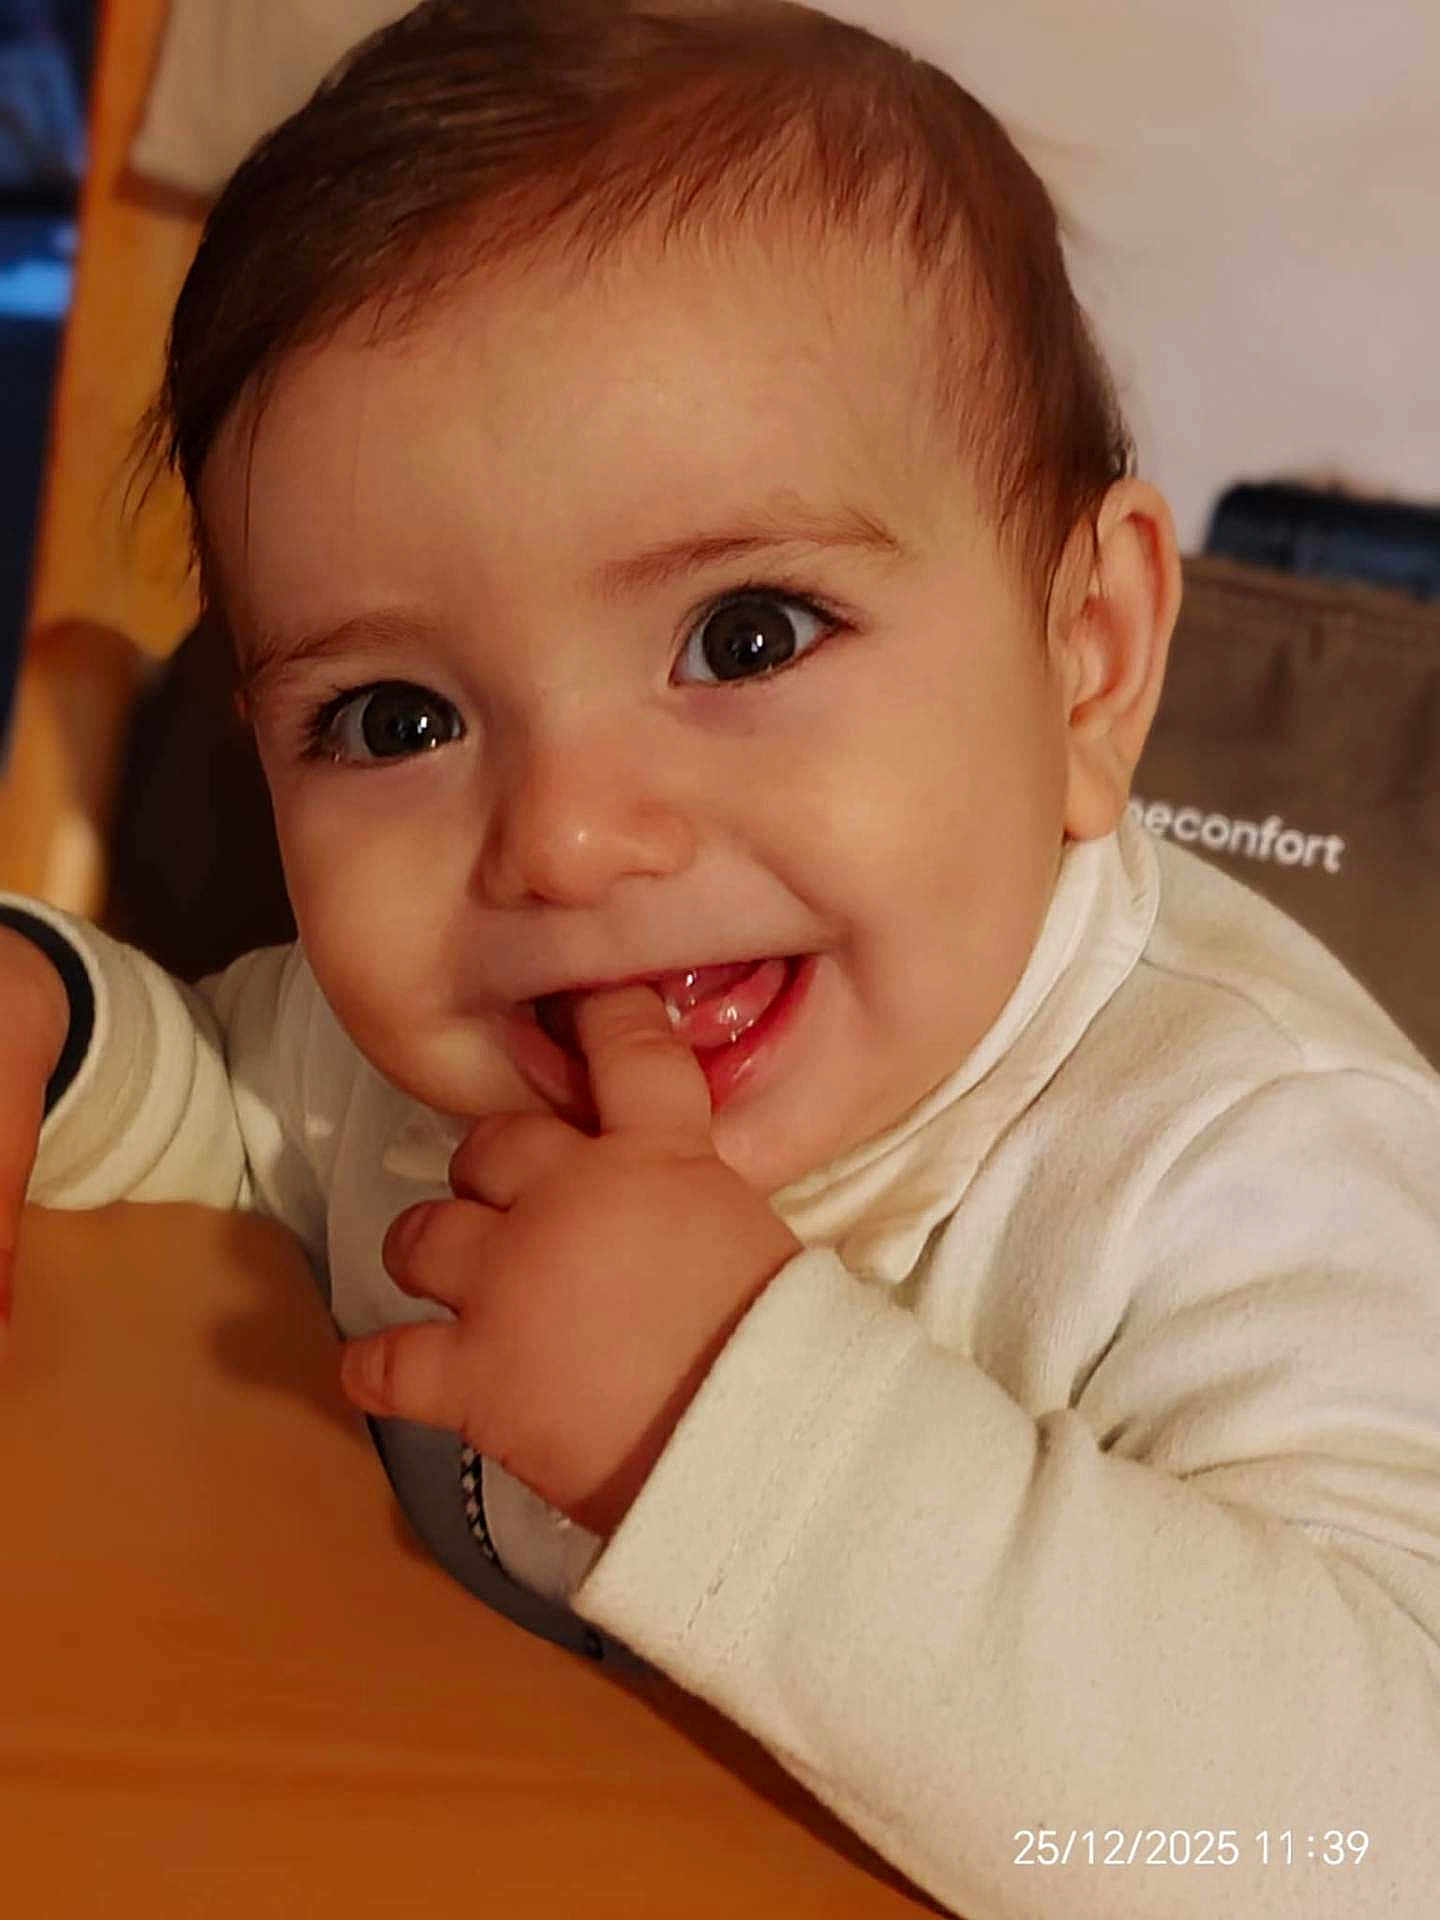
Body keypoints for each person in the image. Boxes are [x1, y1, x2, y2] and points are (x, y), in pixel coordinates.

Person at [3, 3, 1438, 1912]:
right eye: (395, 721)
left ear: (1086, 657)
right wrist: (61, 1027)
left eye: (747, 636)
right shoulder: (444, 1056)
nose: (566, 841)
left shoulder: (1242, 1164)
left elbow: (1370, 1828)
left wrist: (727, 1411)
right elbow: (235, 1115)